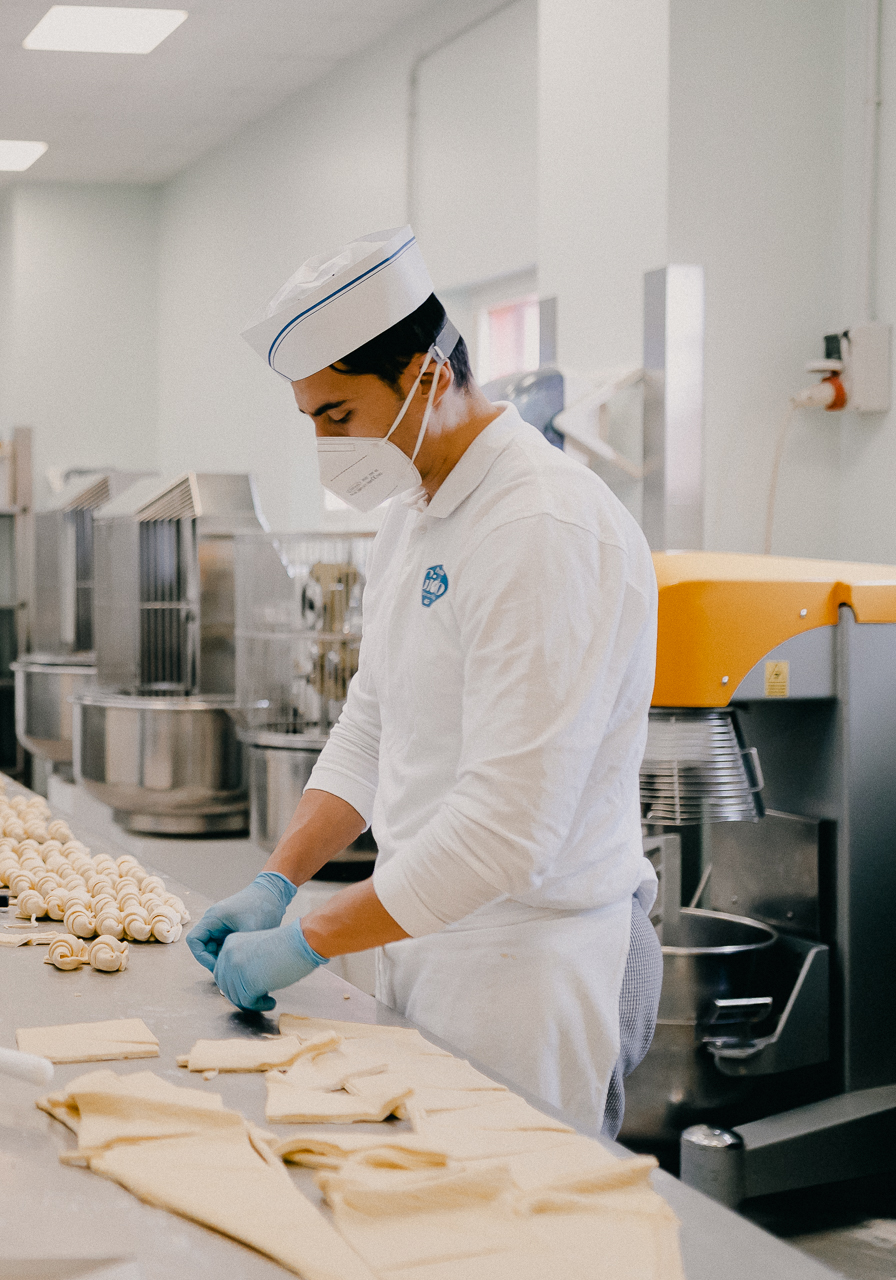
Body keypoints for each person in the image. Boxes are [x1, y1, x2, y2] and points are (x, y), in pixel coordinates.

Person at [190, 226, 661, 1138]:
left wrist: (310, 939)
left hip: (529, 961)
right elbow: (372, 726)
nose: (331, 447)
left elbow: (505, 833)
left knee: (518, 1231)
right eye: (313, 420)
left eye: (338, 415)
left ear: (430, 377)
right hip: (420, 929)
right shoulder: (417, 512)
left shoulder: (543, 528)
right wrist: (280, 879)